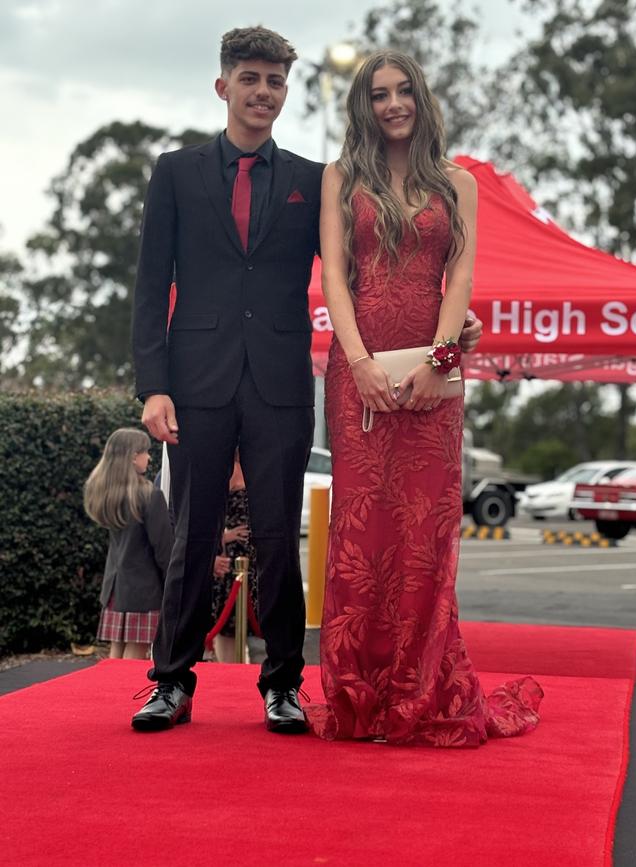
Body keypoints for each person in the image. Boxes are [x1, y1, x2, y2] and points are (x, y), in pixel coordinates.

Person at [131, 26, 483, 734]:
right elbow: (150, 284)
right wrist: (153, 385)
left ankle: (283, 684)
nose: (263, 92)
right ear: (223, 84)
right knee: (191, 536)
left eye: (275, 82)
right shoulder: (175, 171)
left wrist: (455, 331)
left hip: (283, 381)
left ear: (286, 92)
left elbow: (367, 261)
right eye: (251, 79)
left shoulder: (313, 177)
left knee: (275, 536)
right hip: (197, 380)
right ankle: (170, 681)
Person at [308, 50, 543, 745]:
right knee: (361, 530)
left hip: (433, 381)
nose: (392, 104)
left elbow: (461, 281)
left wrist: (442, 361)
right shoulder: (341, 178)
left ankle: (417, 688)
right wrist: (359, 364)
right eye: (378, 94)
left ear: (421, 97)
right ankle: (359, 692)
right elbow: (337, 282)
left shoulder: (458, 186)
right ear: (364, 106)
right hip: (359, 377)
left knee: (422, 537)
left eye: (403, 90)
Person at [84, 429, 172, 661]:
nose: (149, 458)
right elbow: (164, 551)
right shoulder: (149, 495)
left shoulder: (105, 493)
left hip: (115, 586)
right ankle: (124, 697)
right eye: (145, 452)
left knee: (116, 651)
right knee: (135, 655)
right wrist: (173, 585)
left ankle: (108, 696)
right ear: (134, 457)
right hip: (145, 588)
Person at [209, 454, 258, 663]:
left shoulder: (256, 467)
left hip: (254, 556)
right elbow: (205, 518)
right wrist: (225, 536)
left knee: (252, 619)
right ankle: (227, 669)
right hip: (229, 556)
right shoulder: (222, 469)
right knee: (227, 621)